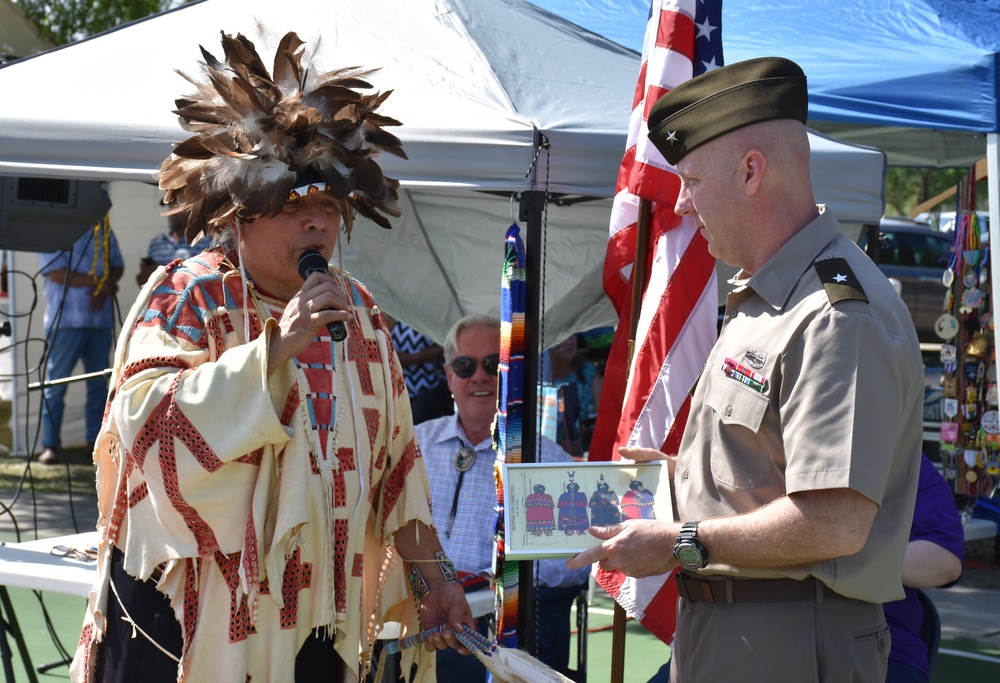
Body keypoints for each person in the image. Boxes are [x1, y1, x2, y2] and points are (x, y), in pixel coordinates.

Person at [70, 30, 472, 683]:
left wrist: (437, 577)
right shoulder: (188, 297)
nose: (315, 223)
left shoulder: (361, 315)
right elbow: (141, 430)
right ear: (238, 214)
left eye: (326, 205)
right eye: (291, 205)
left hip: (319, 632)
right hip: (187, 630)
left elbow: (397, 467)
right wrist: (273, 350)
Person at [567, 57, 923, 683]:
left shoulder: (835, 315)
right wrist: (676, 478)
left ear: (752, 171)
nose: (680, 201)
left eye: (693, 179)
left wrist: (680, 541)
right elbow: (768, 466)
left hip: (788, 637)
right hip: (735, 628)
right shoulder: (765, 300)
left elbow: (834, 519)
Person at [415, 314, 591, 681]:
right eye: (465, 366)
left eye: (493, 365)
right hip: (418, 626)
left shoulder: (546, 459)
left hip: (499, 632)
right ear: (449, 377)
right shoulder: (413, 446)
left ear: (512, 375)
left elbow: (576, 562)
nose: (479, 376)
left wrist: (494, 580)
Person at [36, 221, 123, 465]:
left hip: (99, 320)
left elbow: (117, 265)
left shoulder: (103, 228)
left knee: (99, 386)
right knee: (55, 385)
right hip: (65, 321)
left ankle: (93, 444)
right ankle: (50, 445)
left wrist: (107, 286)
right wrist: (101, 283)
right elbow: (56, 273)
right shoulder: (52, 231)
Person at [884, 454, 964, 683]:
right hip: (785, 636)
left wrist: (847, 559)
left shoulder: (899, 454)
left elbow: (945, 559)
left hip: (883, 644)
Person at [546, 335, 602, 455]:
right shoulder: (544, 373)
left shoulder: (588, 370)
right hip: (550, 438)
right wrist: (551, 360)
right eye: (562, 339)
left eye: (572, 337)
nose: (569, 343)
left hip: (585, 438)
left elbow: (601, 410)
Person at [391, 320, 454, 424]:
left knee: (418, 425)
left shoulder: (433, 317)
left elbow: (446, 344)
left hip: (429, 385)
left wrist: (412, 359)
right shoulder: (397, 315)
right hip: (400, 387)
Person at [136, 211, 213, 286]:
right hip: (161, 297)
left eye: (176, 209)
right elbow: (146, 283)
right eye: (170, 208)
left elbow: (211, 279)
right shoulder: (157, 242)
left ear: (191, 211)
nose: (171, 213)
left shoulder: (206, 241)